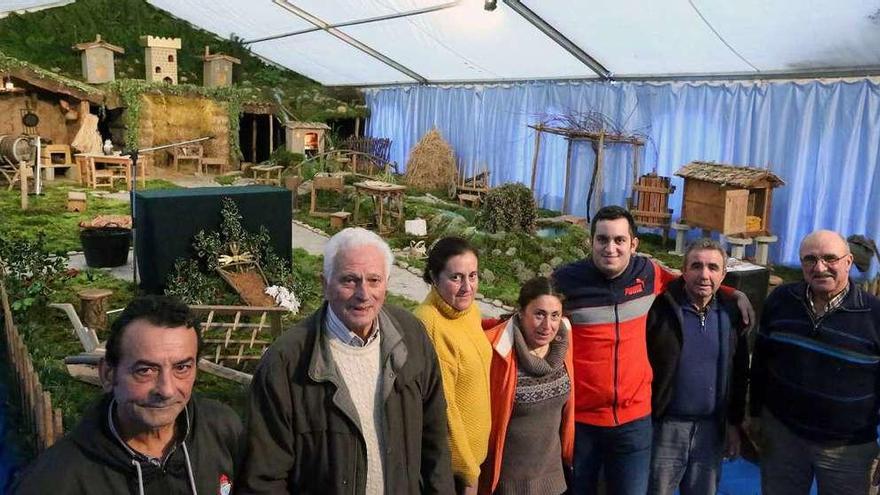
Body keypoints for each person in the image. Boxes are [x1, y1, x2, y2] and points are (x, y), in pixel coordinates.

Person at [552, 205, 753, 495]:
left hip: (635, 421)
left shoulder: (648, 273)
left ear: (634, 244)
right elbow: (532, 312)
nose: (611, 248)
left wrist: (733, 292)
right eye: (602, 239)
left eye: (619, 240)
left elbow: (696, 282)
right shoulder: (566, 281)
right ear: (590, 240)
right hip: (581, 421)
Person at [238, 227, 454, 494]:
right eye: (350, 280)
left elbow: (436, 445)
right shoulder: (286, 362)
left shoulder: (412, 337)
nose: (364, 294)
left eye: (374, 280)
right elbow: (263, 479)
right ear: (325, 285)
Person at [11, 295, 242, 495]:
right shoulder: (55, 481)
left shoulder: (221, 429)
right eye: (145, 371)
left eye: (182, 368)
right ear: (108, 375)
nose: (167, 390)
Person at [749, 229, 880, 494]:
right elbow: (761, 362)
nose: (820, 268)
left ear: (849, 262)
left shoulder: (875, 316)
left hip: (848, 450)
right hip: (783, 439)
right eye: (810, 259)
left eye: (830, 258)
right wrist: (753, 414)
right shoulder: (782, 300)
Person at [646, 239, 749, 495]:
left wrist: (734, 424)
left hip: (711, 431)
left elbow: (738, 374)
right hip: (665, 430)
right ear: (684, 269)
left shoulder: (731, 314)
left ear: (723, 274)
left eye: (713, 267)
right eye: (696, 266)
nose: (704, 274)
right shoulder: (660, 309)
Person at [479, 277, 575, 495]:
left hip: (555, 482)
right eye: (539, 314)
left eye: (555, 316)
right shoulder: (496, 350)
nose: (547, 326)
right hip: (508, 485)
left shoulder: (564, 340)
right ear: (521, 312)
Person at [414, 236, 492, 494]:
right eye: (456, 277)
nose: (467, 287)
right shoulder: (431, 323)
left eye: (473, 275)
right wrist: (467, 471)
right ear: (434, 278)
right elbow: (443, 408)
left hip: (475, 459)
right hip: (453, 470)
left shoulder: (468, 311)